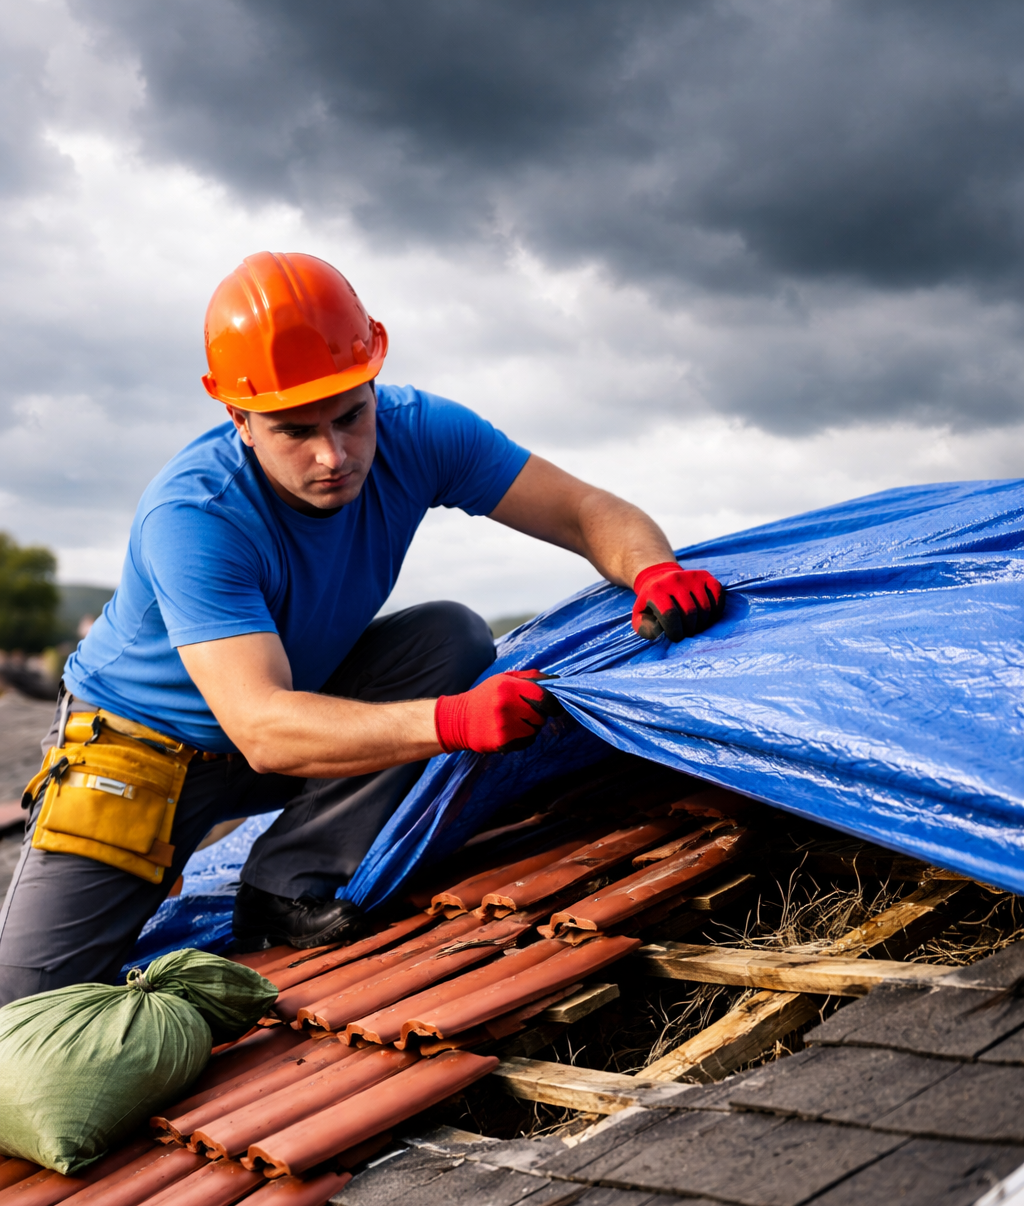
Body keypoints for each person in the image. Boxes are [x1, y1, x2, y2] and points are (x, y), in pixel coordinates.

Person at [0, 251, 725, 1006]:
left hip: (291, 724)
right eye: (294, 431)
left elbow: (584, 509)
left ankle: (284, 882)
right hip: (141, 759)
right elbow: (264, 728)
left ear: (373, 379)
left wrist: (652, 570)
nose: (334, 454)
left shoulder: (419, 431)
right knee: (19, 1017)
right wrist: (454, 722)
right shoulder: (195, 515)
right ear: (238, 419)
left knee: (448, 636)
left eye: (351, 414)